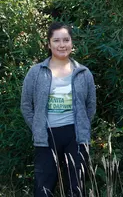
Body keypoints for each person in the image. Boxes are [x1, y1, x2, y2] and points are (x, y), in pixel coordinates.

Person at [21, 22, 96, 197]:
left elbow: (90, 106)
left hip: (76, 136)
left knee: (76, 188)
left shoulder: (83, 73)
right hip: (46, 136)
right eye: (56, 40)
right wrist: (37, 126)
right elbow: (26, 106)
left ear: (72, 43)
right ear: (48, 44)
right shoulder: (36, 72)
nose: (61, 45)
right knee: (43, 189)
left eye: (66, 40)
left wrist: (82, 125)